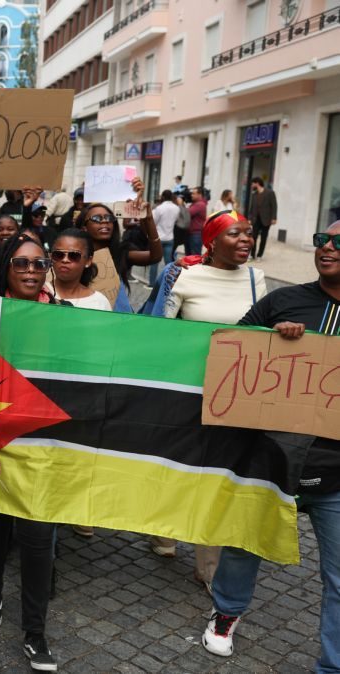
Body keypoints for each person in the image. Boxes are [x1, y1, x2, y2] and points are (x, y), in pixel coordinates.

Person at [201, 221, 340, 671]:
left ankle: (332, 664)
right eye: (321, 240)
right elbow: (230, 351)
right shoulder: (284, 299)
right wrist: (271, 340)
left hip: (337, 468)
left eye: (338, 243)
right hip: (275, 455)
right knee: (245, 543)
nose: (327, 248)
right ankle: (225, 615)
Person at [155, 210, 266, 589]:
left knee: (219, 475)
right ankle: (164, 526)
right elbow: (160, 334)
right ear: (213, 242)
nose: (246, 240)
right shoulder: (185, 276)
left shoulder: (257, 278)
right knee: (180, 465)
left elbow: (262, 331)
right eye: (236, 233)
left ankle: (209, 564)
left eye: (249, 234)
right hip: (187, 391)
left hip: (234, 395)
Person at [0, 233, 62, 671]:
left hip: (44, 444)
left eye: (38, 263)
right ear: (4, 268)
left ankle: (36, 633)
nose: (31, 270)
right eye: (21, 263)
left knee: (37, 540)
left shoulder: (65, 316)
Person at [75, 178, 162, 311]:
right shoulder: (73, 256)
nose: (105, 222)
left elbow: (155, 256)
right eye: (97, 219)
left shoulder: (120, 252)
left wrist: (148, 218)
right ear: (84, 228)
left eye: (109, 218)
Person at [47, 229, 111, 310]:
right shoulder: (40, 292)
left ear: (88, 261)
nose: (65, 260)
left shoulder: (99, 302)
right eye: (58, 255)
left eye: (74, 256)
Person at [150, 190, 180, 286]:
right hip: (170, 237)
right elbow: (176, 221)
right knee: (168, 262)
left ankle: (151, 284)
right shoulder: (176, 208)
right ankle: (169, 282)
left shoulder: (159, 208)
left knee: (155, 262)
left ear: (162, 197)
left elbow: (153, 223)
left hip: (159, 237)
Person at [247, 177, 277, 261]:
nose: (252, 185)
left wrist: (274, 218)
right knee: (253, 237)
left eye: (253, 183)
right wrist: (249, 218)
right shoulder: (254, 194)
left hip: (266, 219)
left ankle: (259, 255)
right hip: (255, 219)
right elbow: (251, 207)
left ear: (257, 183)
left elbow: (274, 206)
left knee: (263, 238)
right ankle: (252, 255)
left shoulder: (270, 193)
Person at [187, 187, 208, 255]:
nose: (191, 195)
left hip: (196, 234)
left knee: (195, 256)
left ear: (200, 195)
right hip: (193, 234)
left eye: (193, 193)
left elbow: (187, 213)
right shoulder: (196, 203)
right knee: (190, 256)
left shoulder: (200, 204)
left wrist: (181, 205)